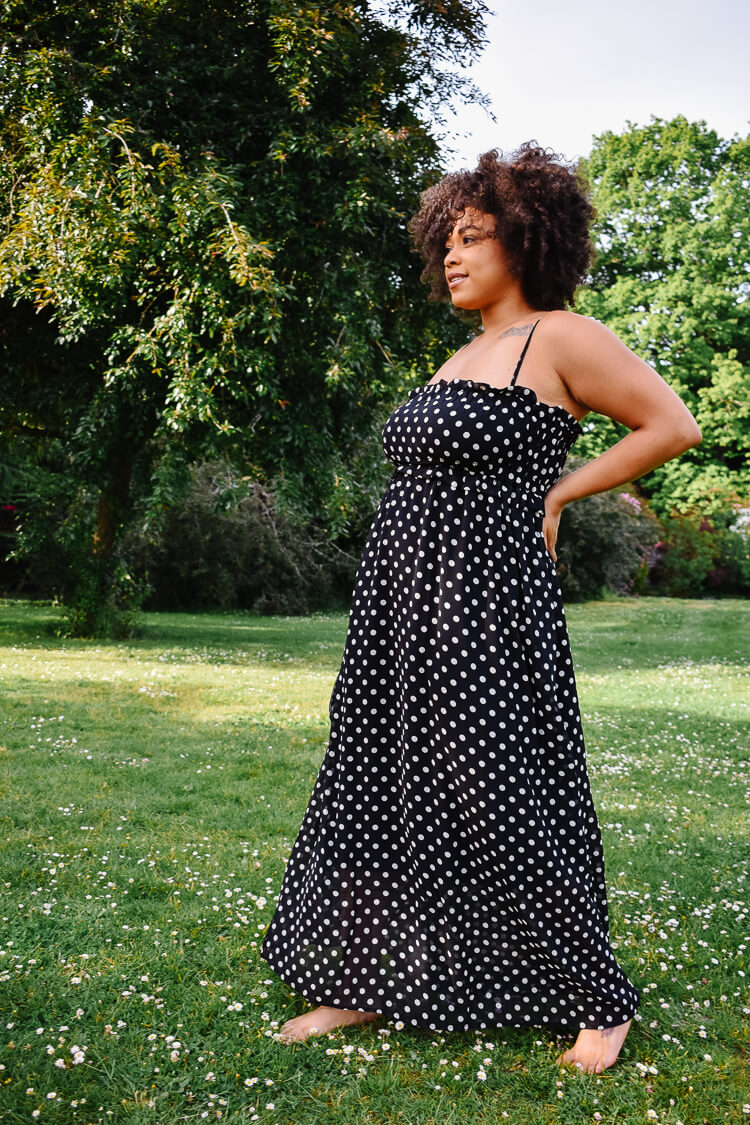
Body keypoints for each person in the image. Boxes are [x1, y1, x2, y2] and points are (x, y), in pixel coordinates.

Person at [259, 144, 701, 1073]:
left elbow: (672, 425)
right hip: (398, 606)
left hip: (486, 601)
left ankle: (595, 995)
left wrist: (558, 494)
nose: (451, 257)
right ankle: (364, 976)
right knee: (377, 782)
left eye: (472, 238)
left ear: (525, 241)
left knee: (495, 791)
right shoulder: (462, 353)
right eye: (445, 242)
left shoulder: (562, 337)